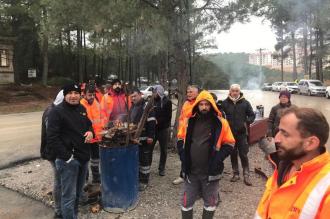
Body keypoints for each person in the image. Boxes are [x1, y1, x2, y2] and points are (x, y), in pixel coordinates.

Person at [255, 107, 330, 218]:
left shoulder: (326, 188)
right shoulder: (282, 164)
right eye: (278, 130)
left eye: (285, 134)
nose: (276, 139)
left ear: (310, 143)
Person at [178, 90, 235, 219]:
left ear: (212, 105)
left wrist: (217, 159)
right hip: (190, 171)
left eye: (207, 104)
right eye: (201, 104)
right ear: (197, 105)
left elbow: (230, 143)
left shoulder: (220, 123)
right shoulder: (188, 121)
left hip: (210, 173)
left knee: (210, 202)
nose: (204, 107)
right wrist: (183, 155)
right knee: (186, 202)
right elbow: (180, 139)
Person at [47, 83, 94, 219]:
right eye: (70, 93)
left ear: (80, 95)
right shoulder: (56, 112)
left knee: (78, 194)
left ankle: (73, 215)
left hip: (83, 158)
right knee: (68, 196)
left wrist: (90, 133)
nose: (73, 96)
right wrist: (68, 157)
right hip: (68, 161)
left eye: (76, 93)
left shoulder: (82, 108)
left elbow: (89, 125)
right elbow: (52, 138)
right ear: (65, 95)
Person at [221, 84, 255, 186]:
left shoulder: (245, 103)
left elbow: (252, 115)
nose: (235, 92)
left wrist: (246, 122)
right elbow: (220, 115)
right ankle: (235, 173)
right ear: (230, 91)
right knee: (233, 153)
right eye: (233, 90)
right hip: (230, 134)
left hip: (242, 133)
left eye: (236, 91)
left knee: (243, 154)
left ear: (239, 92)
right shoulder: (225, 103)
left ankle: (246, 174)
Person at [40, 90, 64, 219]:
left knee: (61, 180)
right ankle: (58, 211)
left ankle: (62, 206)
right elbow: (52, 137)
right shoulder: (52, 113)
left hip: (56, 152)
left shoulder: (54, 109)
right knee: (59, 181)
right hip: (54, 153)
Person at [129, 88, 156, 191]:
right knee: (138, 159)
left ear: (140, 95)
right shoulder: (133, 106)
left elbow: (152, 121)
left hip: (145, 138)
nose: (133, 98)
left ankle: (144, 181)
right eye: (131, 97)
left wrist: (150, 136)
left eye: (135, 96)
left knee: (145, 159)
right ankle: (138, 177)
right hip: (135, 138)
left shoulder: (146, 106)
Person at [173, 85, 199, 185]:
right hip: (182, 136)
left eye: (191, 92)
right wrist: (180, 132)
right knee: (183, 156)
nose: (188, 94)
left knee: (192, 157)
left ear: (197, 93)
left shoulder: (199, 105)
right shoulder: (186, 103)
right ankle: (183, 175)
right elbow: (181, 118)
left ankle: (188, 176)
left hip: (193, 137)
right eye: (188, 92)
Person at [80, 86, 102, 186]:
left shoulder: (96, 103)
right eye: (90, 95)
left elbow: (100, 119)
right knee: (84, 159)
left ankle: (96, 177)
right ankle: (85, 179)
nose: (92, 97)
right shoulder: (80, 105)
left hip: (96, 137)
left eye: (93, 95)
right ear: (84, 94)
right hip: (85, 138)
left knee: (96, 159)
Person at [152, 85, 172, 176]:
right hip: (153, 129)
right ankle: (147, 166)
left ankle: (161, 168)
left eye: (155, 92)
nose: (153, 93)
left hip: (163, 129)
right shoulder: (152, 101)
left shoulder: (167, 102)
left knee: (163, 150)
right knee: (149, 148)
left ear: (159, 91)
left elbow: (168, 116)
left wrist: (158, 121)